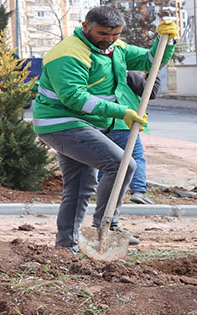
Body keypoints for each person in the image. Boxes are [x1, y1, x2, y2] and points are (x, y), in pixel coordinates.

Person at [32, 6, 177, 253]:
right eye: (103, 34)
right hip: (61, 122)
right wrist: (122, 112)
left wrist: (167, 41)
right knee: (122, 164)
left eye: (116, 34)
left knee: (79, 186)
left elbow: (152, 61)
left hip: (85, 124)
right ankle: (106, 226)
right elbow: (75, 99)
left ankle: (66, 248)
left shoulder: (115, 48)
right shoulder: (68, 54)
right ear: (86, 26)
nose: (109, 39)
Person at [96, 70, 164, 205]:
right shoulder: (126, 75)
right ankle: (138, 191)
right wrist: (152, 74)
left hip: (101, 124)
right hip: (125, 124)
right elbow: (150, 92)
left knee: (106, 160)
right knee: (135, 158)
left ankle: (104, 192)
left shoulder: (98, 75)